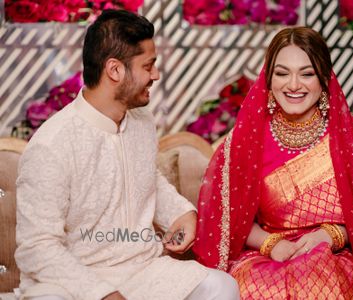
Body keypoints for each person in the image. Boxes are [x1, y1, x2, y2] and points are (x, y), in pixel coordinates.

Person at [15, 9, 239, 300]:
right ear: (115, 70)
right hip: (73, 281)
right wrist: (102, 293)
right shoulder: (52, 144)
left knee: (221, 286)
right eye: (148, 65)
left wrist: (181, 213)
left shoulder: (140, 120)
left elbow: (147, 175)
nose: (155, 75)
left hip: (140, 269)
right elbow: (37, 247)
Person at [193, 27, 353, 299]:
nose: (293, 85)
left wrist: (333, 234)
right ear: (268, 79)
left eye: (306, 74)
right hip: (266, 255)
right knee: (251, 283)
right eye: (282, 73)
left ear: (324, 80)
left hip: (334, 257)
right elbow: (230, 219)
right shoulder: (246, 141)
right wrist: (272, 244)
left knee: (322, 279)